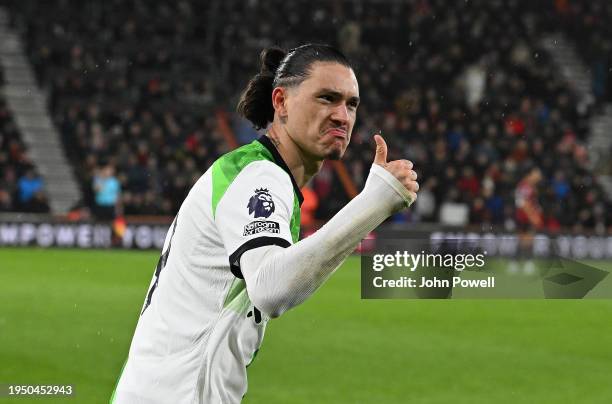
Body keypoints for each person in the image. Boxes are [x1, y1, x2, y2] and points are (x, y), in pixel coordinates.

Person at [111, 44, 419, 404]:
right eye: (327, 98)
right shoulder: (259, 175)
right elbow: (273, 288)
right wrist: (374, 202)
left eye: (351, 104)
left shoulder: (263, 176)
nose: (342, 116)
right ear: (281, 102)